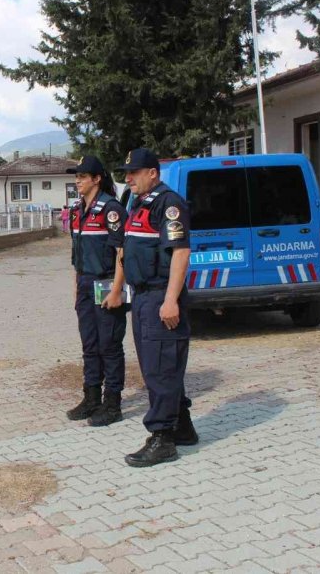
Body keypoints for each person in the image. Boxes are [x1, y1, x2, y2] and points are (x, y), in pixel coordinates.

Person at [114, 148, 197, 467]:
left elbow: (180, 253)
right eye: (126, 173)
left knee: (160, 368)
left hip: (160, 294)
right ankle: (183, 426)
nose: (128, 178)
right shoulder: (139, 202)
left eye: (134, 172)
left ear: (153, 172)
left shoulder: (169, 203)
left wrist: (171, 300)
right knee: (160, 366)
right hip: (144, 295)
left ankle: (162, 438)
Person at [65, 155, 129, 427]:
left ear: (96, 179)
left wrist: (116, 291)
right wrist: (76, 287)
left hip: (107, 283)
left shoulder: (110, 210)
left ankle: (112, 404)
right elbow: (76, 255)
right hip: (85, 284)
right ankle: (91, 398)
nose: (77, 181)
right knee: (89, 345)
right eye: (76, 176)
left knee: (109, 345)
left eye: (82, 176)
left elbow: (122, 253)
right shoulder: (78, 210)